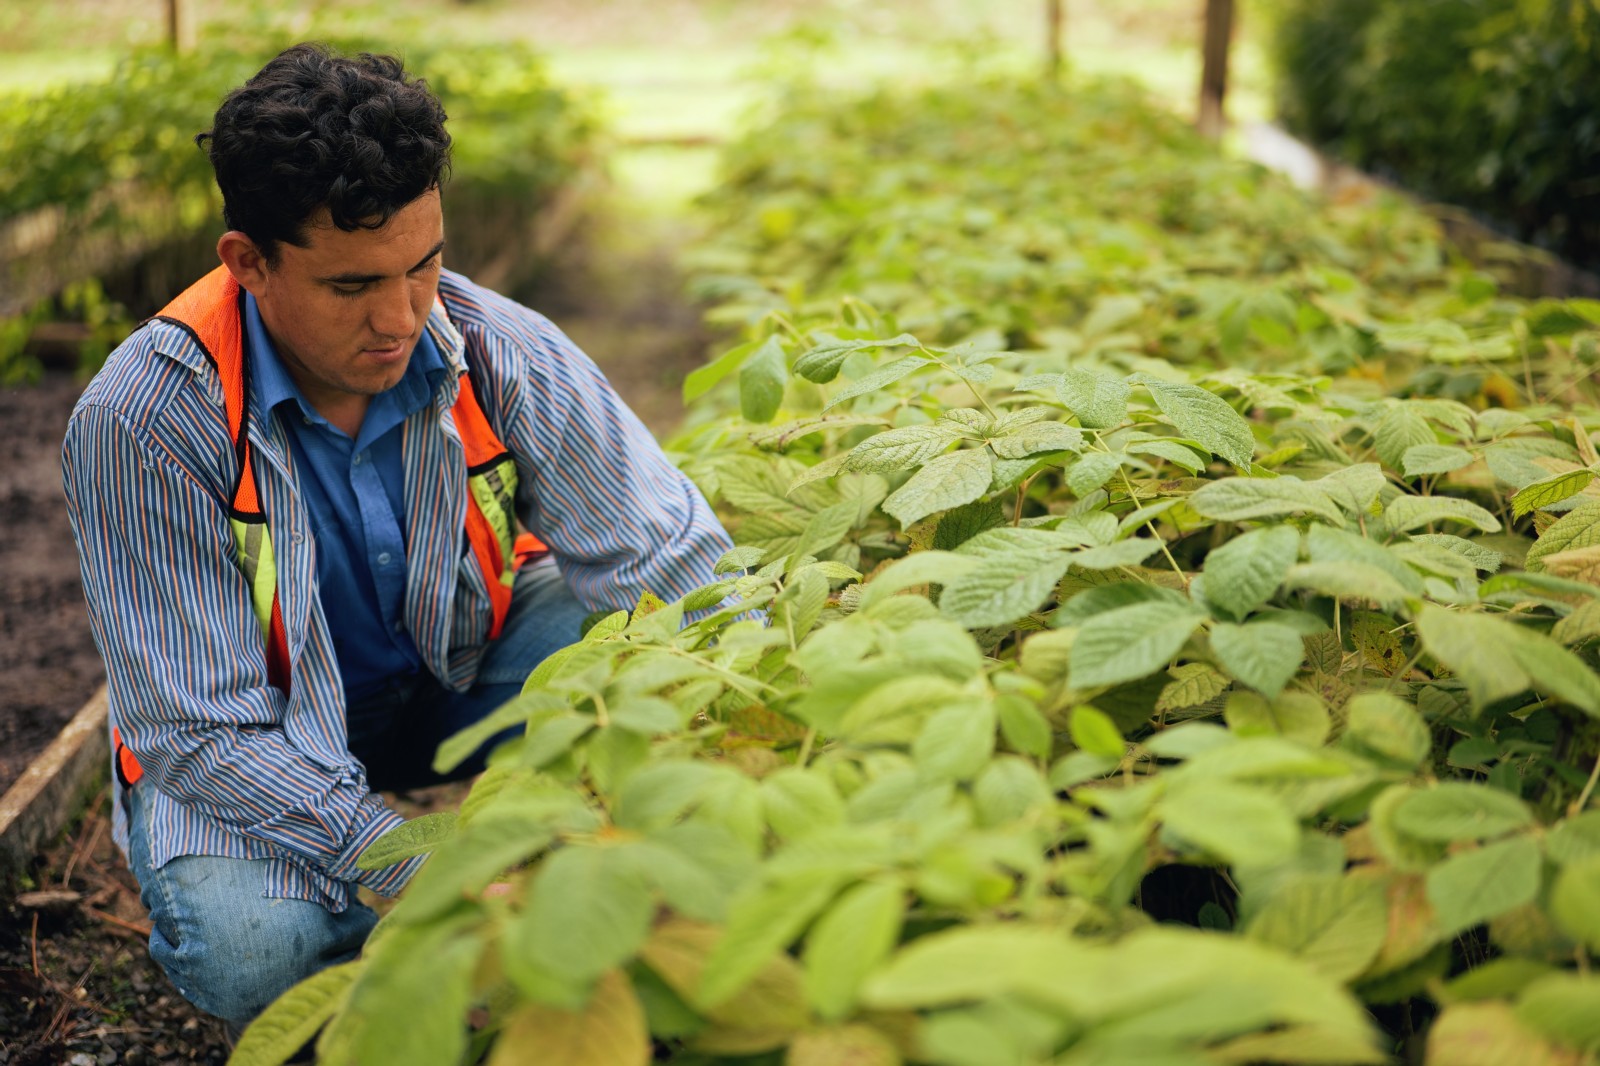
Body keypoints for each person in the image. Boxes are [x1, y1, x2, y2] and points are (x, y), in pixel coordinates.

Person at [61, 42, 734, 1031]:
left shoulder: (493, 343)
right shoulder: (150, 419)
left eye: (424, 265)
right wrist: (418, 857)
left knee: (628, 641)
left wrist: (758, 758)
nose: (402, 316)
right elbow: (199, 728)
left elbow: (670, 564)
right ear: (248, 263)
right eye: (350, 286)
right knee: (255, 953)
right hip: (258, 730)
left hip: (455, 666)